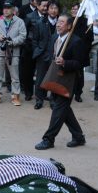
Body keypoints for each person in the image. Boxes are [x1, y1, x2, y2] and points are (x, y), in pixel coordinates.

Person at [34, 14, 89, 149]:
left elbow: (80, 63)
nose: (58, 24)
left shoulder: (76, 41)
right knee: (64, 110)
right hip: (56, 77)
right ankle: (78, 136)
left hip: (70, 80)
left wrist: (65, 62)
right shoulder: (54, 38)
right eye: (58, 22)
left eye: (62, 22)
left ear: (69, 26)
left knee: (58, 109)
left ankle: (48, 139)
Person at [0, 2, 26, 106]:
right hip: (0, 52)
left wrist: (13, 41)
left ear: (13, 10)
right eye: (4, 8)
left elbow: (23, 36)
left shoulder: (19, 21)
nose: (5, 10)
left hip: (13, 53)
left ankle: (15, 96)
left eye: (8, 8)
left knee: (15, 77)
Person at [33, 1, 60, 110]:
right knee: (40, 78)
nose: (53, 10)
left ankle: (53, 99)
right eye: (51, 8)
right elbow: (35, 40)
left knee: (54, 78)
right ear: (47, 10)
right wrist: (38, 51)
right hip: (43, 54)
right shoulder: (40, 22)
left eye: (56, 8)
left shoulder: (61, 23)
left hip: (56, 55)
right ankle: (39, 99)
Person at [21, 0, 47, 101]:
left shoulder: (49, 18)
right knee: (28, 72)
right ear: (37, 6)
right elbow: (24, 32)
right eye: (43, 6)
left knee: (43, 73)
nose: (45, 8)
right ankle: (28, 93)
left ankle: (42, 94)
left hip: (43, 50)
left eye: (47, 6)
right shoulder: (29, 16)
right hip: (30, 49)